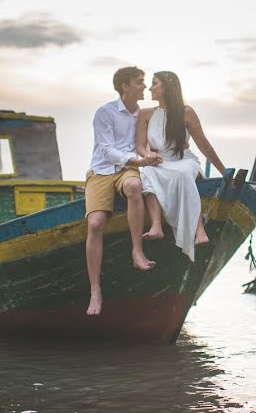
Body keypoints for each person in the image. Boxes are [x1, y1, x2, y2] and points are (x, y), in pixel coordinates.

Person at [85, 66, 162, 316]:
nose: (144, 86)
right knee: (95, 224)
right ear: (124, 86)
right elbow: (106, 151)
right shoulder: (105, 113)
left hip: (128, 170)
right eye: (139, 82)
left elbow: (150, 145)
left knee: (134, 185)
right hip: (101, 170)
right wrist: (138, 161)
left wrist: (153, 158)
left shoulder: (146, 115)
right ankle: (95, 291)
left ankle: (137, 251)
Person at [136, 71, 226, 262]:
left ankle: (198, 229)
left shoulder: (186, 112)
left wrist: (224, 172)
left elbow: (204, 144)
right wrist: (147, 155)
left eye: (155, 84)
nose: (150, 88)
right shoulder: (145, 114)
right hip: (158, 162)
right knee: (147, 173)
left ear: (167, 88)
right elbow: (139, 145)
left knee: (184, 174)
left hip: (183, 159)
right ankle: (156, 226)